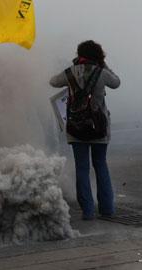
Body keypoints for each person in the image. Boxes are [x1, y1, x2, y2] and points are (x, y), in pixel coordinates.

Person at [50, 40, 120, 220]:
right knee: (100, 165)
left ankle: (88, 211)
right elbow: (116, 83)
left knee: (82, 168)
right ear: (98, 55)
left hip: (76, 129)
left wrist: (72, 70)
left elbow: (53, 82)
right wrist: (104, 66)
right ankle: (107, 209)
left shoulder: (70, 73)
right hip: (99, 128)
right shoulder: (102, 72)